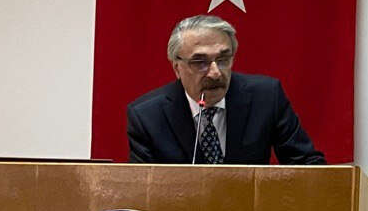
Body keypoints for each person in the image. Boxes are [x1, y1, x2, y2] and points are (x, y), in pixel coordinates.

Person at [127, 15, 326, 164]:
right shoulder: (147, 116)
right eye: (200, 62)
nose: (215, 73)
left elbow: (307, 165)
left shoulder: (266, 97)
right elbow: (142, 189)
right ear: (177, 68)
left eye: (223, 59)